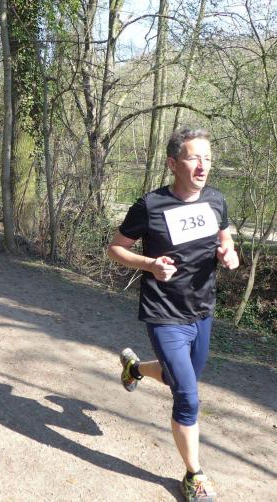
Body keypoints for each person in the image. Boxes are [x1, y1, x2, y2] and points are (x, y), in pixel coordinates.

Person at [107, 127, 239, 502]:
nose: (203, 166)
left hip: (202, 310)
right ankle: (194, 475)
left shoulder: (215, 200)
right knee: (188, 396)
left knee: (177, 377)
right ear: (172, 163)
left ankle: (134, 369)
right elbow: (116, 248)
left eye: (208, 158)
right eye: (194, 158)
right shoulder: (150, 205)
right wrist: (149, 264)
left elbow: (224, 235)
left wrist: (229, 252)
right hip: (164, 312)